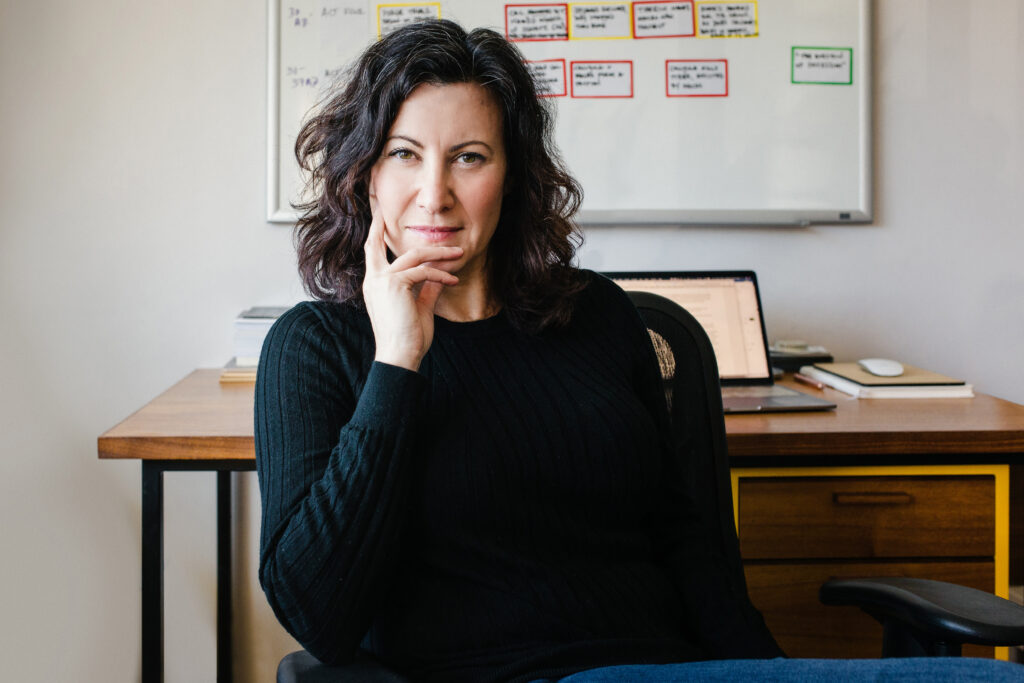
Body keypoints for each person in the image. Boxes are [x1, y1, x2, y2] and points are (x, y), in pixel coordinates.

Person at [255, 19, 1022, 683]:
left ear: (512, 176)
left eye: (469, 157)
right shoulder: (318, 347)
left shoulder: (595, 316)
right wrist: (398, 361)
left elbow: (686, 547)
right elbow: (320, 616)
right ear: (363, 177)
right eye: (403, 154)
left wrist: (770, 672)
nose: (434, 194)